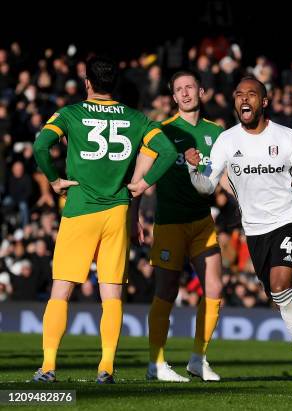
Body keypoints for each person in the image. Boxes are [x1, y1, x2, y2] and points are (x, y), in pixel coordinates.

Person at [185, 76, 292, 393]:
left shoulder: (286, 137)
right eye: (240, 94)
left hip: (289, 220)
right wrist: (192, 167)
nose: (245, 99)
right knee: (280, 297)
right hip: (255, 230)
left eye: (252, 94)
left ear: (264, 101)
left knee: (281, 285)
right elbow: (206, 186)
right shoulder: (227, 141)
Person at [31, 56, 176, 384]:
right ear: (115, 84)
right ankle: (106, 368)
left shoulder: (70, 114)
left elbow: (41, 146)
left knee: (61, 290)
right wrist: (143, 182)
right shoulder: (137, 118)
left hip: (80, 209)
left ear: (87, 83)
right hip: (116, 212)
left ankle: (49, 366)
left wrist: (54, 181)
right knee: (111, 296)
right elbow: (166, 152)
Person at [131, 70, 224, 382]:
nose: (185, 93)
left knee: (215, 288)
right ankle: (155, 363)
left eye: (190, 87)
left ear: (201, 91)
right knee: (167, 291)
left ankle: (199, 359)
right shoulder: (162, 131)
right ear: (173, 97)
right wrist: (133, 218)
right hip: (170, 222)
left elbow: (224, 177)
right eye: (179, 90)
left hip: (202, 222)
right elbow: (138, 178)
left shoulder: (216, 132)